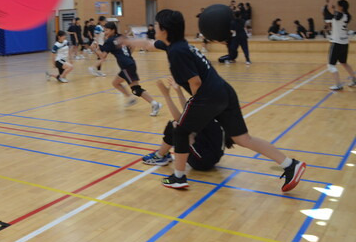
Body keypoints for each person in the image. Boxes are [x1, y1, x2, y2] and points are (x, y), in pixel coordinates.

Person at [128, 10, 306, 191]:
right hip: (224, 91)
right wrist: (124, 41)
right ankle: (290, 164)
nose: (154, 28)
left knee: (181, 131)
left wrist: (197, 105)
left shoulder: (177, 52)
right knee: (243, 138)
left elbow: (195, 81)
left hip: (209, 96)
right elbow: (148, 43)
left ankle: (179, 177)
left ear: (165, 29)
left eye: (156, 25)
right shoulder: (178, 45)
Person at [142, 78, 233, 170]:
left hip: (201, 162)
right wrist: (178, 90)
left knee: (178, 128)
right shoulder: (214, 111)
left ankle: (160, 157)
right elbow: (188, 112)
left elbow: (181, 120)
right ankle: (161, 155)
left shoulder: (210, 116)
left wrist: (166, 95)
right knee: (176, 125)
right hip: (207, 155)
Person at [91, 22, 162, 116]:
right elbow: (132, 45)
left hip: (126, 66)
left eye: (107, 30)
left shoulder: (109, 41)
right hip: (130, 64)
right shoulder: (121, 37)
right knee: (115, 83)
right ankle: (130, 98)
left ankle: (155, 104)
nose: (105, 32)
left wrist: (95, 49)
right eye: (104, 30)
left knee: (136, 89)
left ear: (113, 30)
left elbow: (103, 57)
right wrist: (127, 56)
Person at [326, 0, 356, 90]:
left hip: (337, 43)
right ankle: (355, 80)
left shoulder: (339, 15)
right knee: (344, 62)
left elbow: (329, 7)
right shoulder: (347, 15)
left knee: (331, 65)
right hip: (344, 43)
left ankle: (338, 84)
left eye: (338, 5)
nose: (337, 7)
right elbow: (342, 6)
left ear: (341, 7)